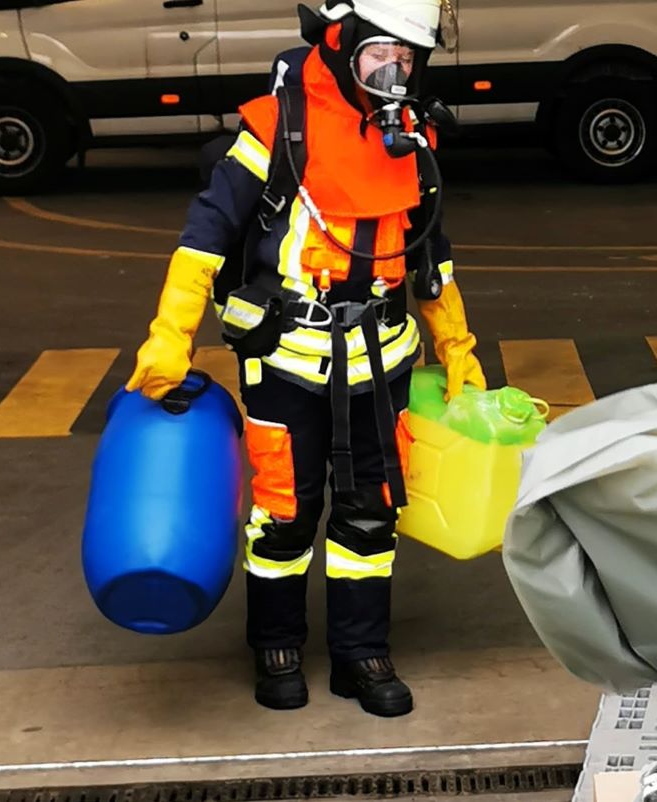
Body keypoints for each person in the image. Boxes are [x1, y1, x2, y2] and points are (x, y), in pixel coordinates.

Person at [125, 0, 484, 718]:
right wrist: (169, 336)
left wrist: (457, 347)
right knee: (284, 515)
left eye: (408, 59)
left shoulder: (411, 140)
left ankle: (361, 655)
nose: (394, 73)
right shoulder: (275, 128)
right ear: (342, 42)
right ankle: (277, 645)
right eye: (380, 54)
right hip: (287, 360)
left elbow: (430, 258)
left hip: (382, 364)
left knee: (370, 516)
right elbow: (204, 237)